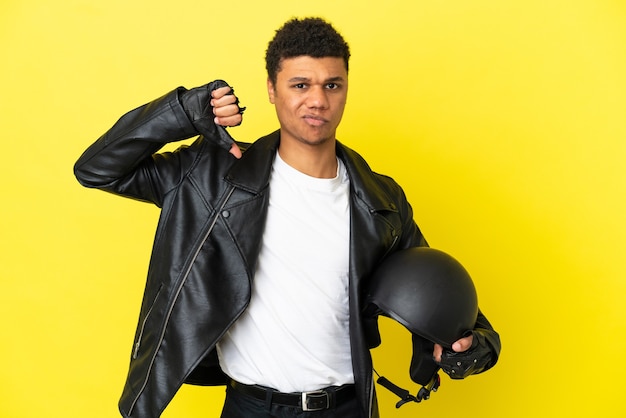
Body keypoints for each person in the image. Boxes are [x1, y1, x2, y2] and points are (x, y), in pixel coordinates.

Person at [74, 17, 500, 418]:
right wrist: (183, 111)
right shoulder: (211, 177)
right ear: (272, 90)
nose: (318, 100)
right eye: (301, 84)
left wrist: (472, 346)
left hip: (349, 405)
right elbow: (96, 169)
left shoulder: (380, 199)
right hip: (250, 407)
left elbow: (436, 292)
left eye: (332, 84)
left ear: (346, 89)